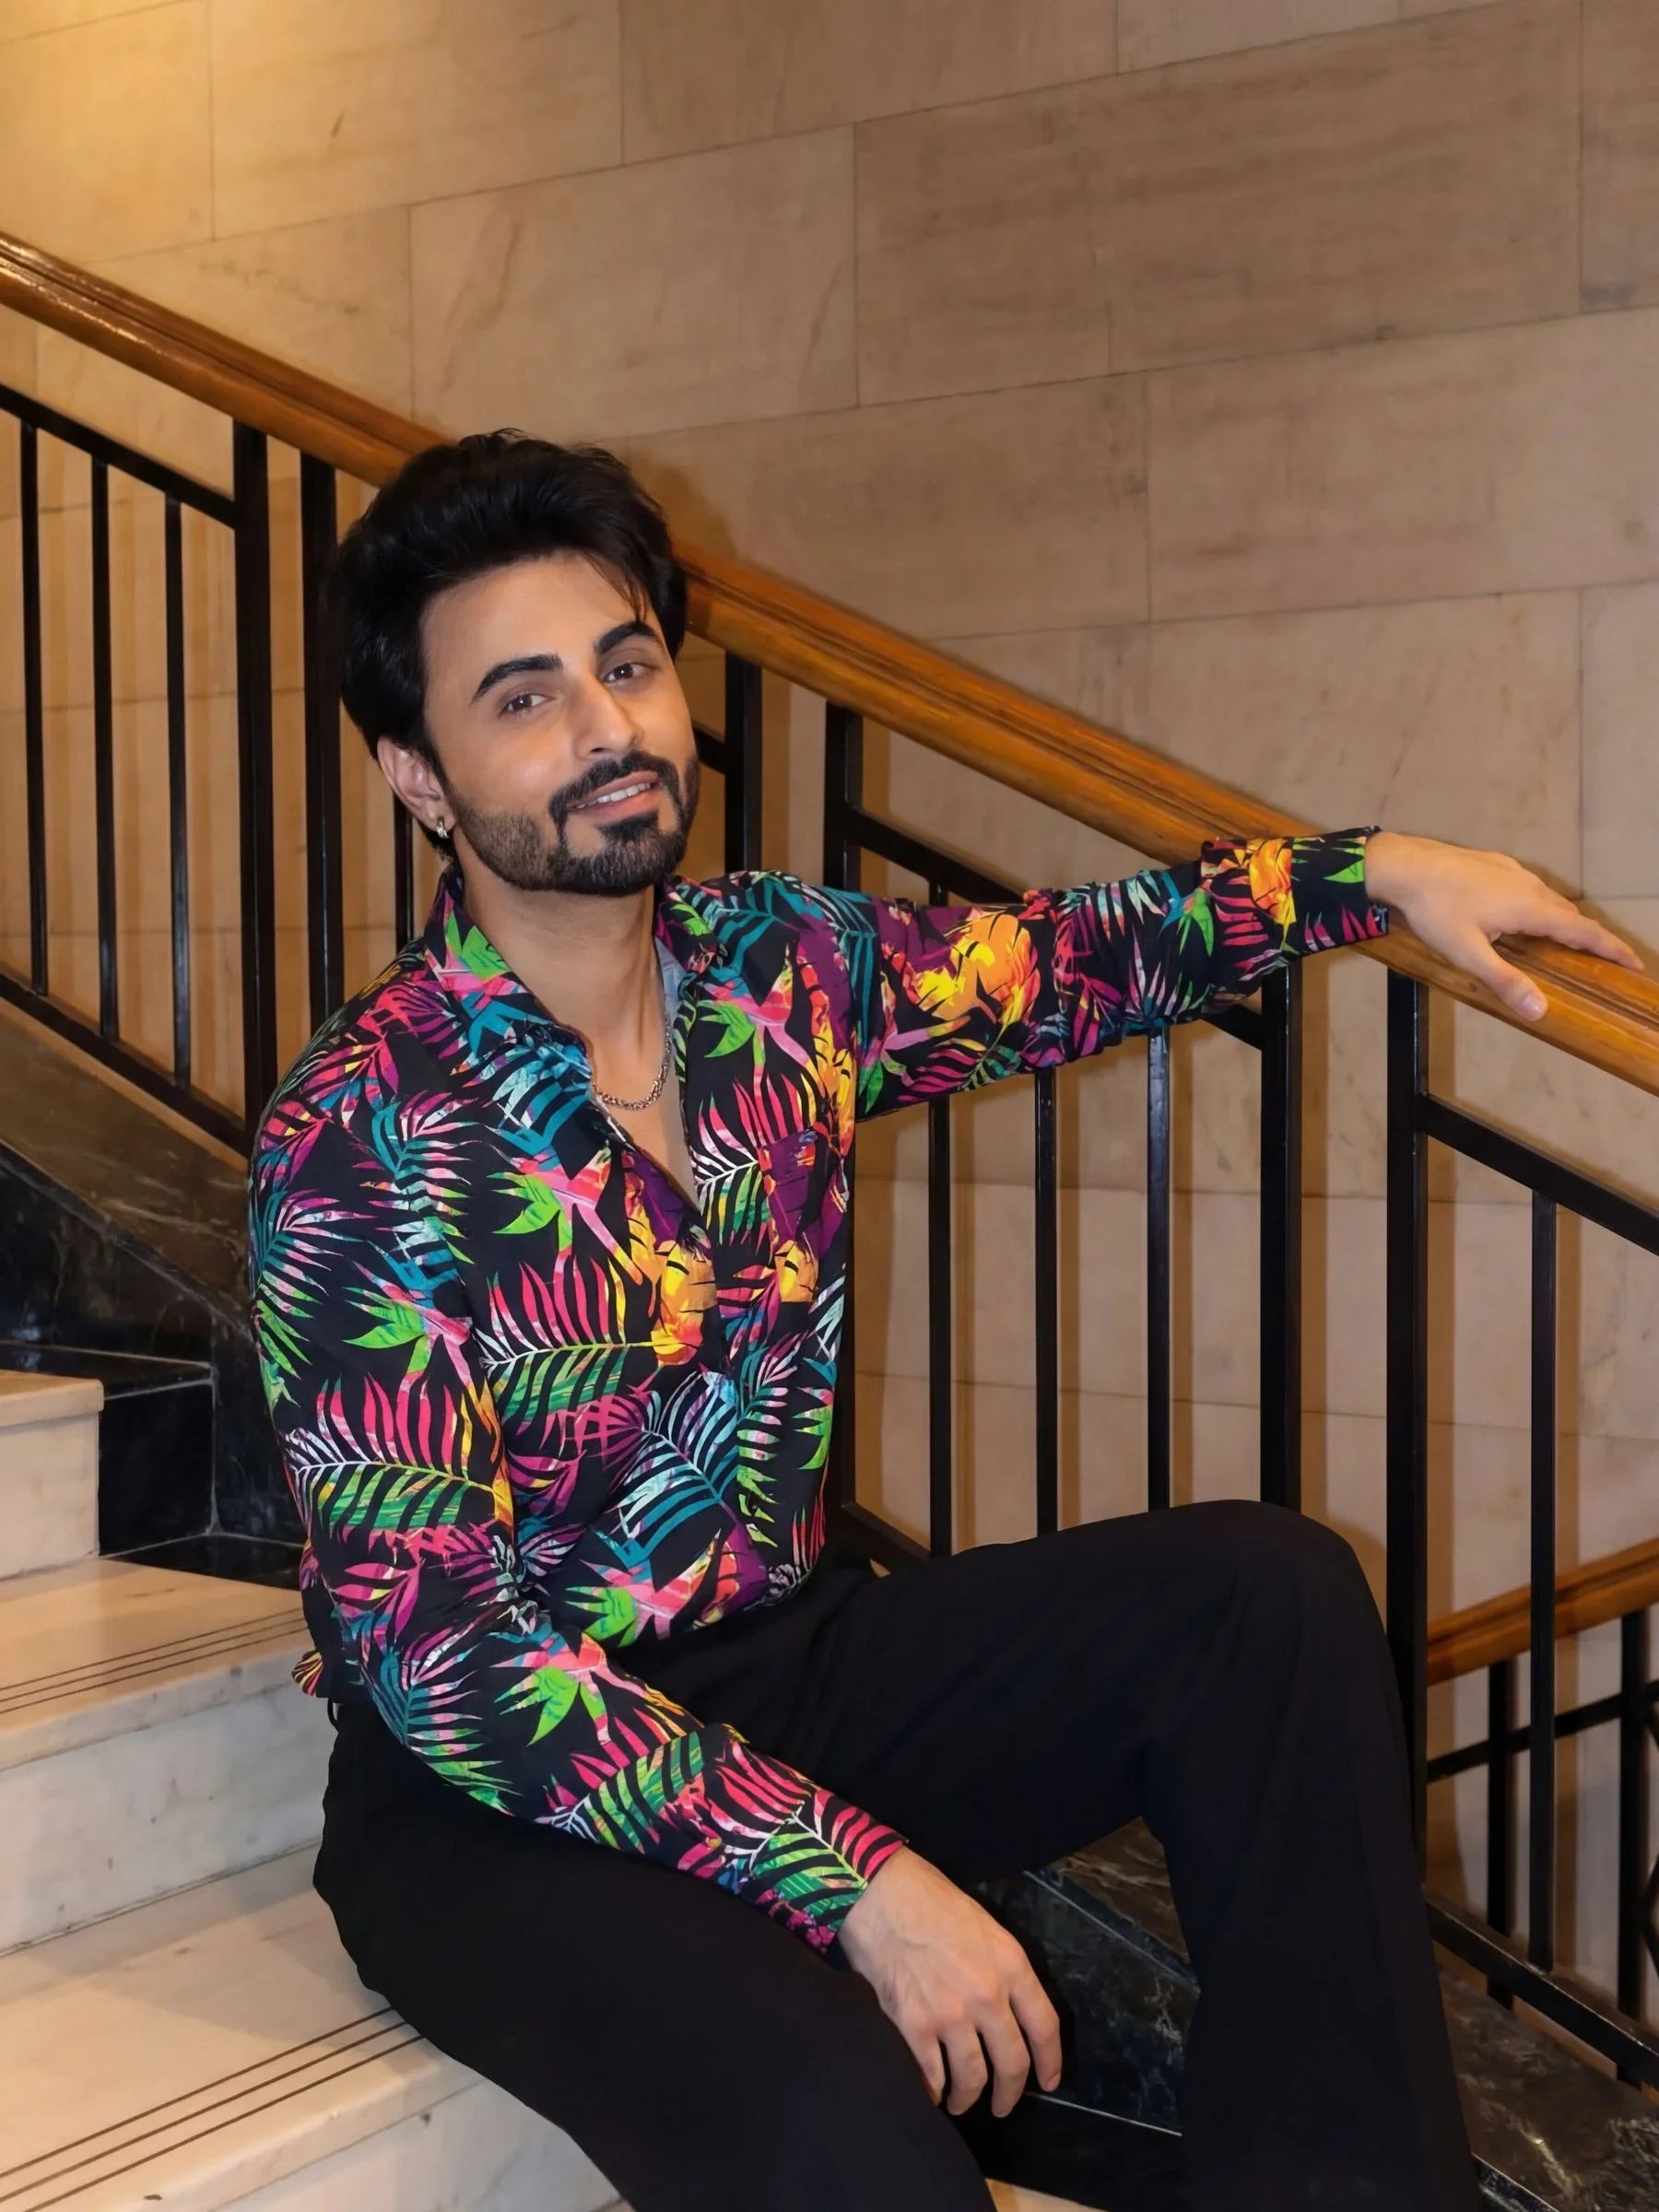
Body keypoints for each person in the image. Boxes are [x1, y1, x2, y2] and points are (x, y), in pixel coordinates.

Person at [247, 432, 1639, 2212]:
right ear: (417, 775)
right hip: (495, 1797)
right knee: (860, 2136)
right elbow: (447, 1659)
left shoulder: (778, 972)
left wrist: (1376, 876)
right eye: (522, 698)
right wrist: (856, 1879)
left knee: (1267, 1598)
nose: (607, 728)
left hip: (788, 1663)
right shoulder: (357, 1131)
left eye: (627, 664)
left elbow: (1074, 961)